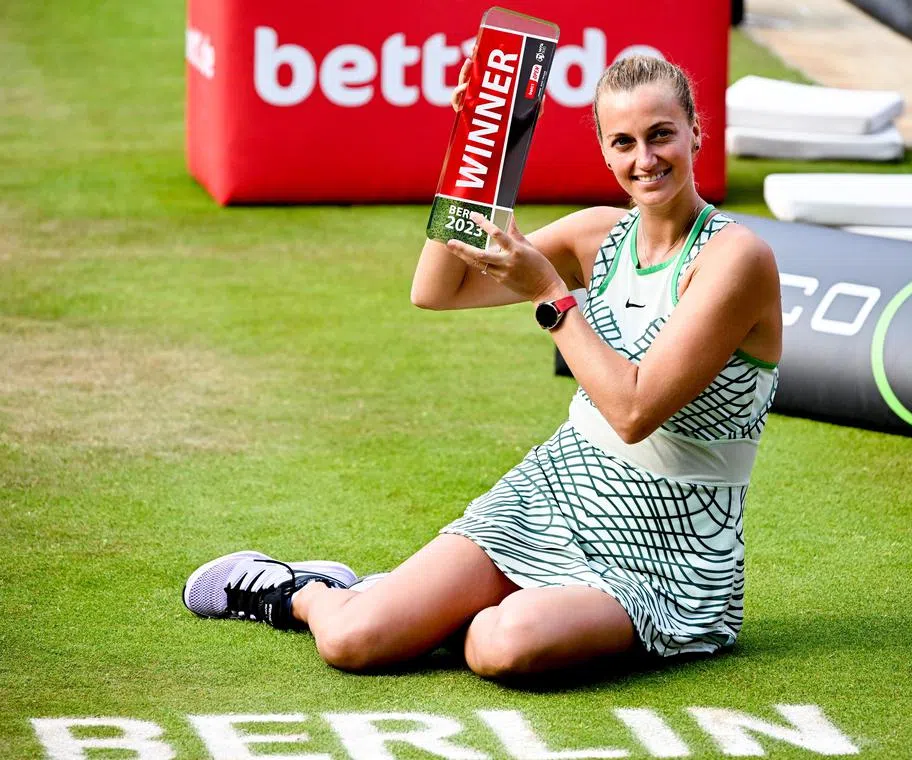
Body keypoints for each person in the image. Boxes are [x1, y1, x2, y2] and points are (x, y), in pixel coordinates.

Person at [182, 55, 782, 680]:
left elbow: (633, 412)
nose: (646, 159)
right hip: (558, 493)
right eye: (623, 142)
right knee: (353, 639)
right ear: (605, 152)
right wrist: (479, 147)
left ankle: (433, 607)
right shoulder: (600, 233)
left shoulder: (735, 258)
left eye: (661, 135)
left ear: (695, 133)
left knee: (502, 644)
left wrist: (549, 293)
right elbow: (438, 288)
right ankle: (301, 590)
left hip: (674, 552)